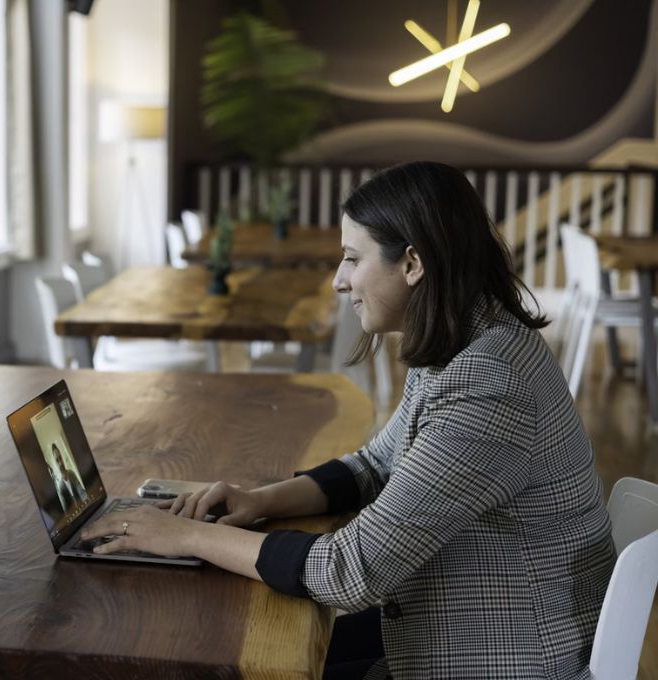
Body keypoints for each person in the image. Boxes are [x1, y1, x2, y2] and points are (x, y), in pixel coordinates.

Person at [81, 161, 616, 680]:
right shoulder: (469, 341)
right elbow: (375, 465)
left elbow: (351, 571)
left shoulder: (491, 381)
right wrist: (259, 499)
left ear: (412, 263)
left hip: (506, 658)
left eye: (352, 259)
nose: (339, 281)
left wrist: (185, 538)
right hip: (458, 627)